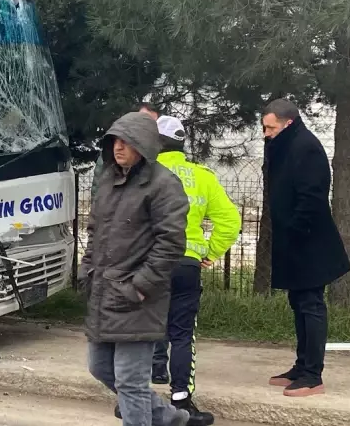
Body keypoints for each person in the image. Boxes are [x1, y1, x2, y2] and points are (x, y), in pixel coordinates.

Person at [115, 115, 240, 425]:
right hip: (185, 264)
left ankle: (133, 398)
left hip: (148, 264)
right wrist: (209, 252)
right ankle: (182, 399)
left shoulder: (141, 174)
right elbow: (230, 221)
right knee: (182, 334)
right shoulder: (203, 177)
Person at [79, 112, 191, 426]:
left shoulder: (163, 184)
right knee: (100, 367)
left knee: (130, 381)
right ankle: (169, 418)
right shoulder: (108, 180)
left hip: (138, 298)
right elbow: (94, 230)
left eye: (126, 142)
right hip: (104, 292)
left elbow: (171, 242)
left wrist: (141, 285)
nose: (118, 147)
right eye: (115, 140)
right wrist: (86, 268)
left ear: (143, 144)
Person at [261, 99, 350, 397]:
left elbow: (312, 197)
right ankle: (301, 367)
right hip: (294, 239)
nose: (266, 133)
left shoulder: (306, 147)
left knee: (311, 305)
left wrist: (295, 231)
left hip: (309, 241)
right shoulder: (284, 144)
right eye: (264, 128)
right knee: (298, 302)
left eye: (271, 127)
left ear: (288, 122)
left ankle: (313, 375)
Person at [90, 103, 160, 201]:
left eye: (153, 122)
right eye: (143, 119)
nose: (147, 125)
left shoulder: (161, 155)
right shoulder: (110, 157)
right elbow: (97, 193)